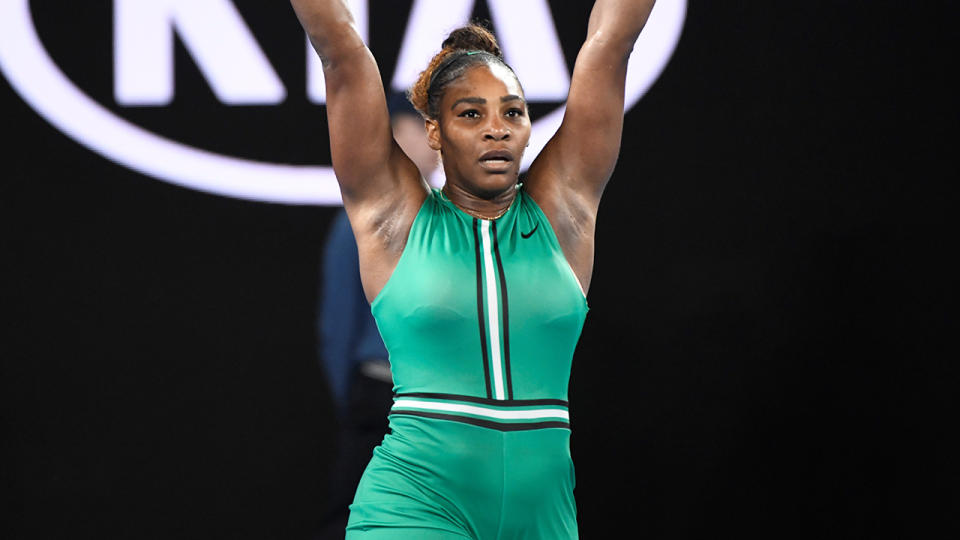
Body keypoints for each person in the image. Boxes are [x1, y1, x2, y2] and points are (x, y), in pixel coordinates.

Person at [291, 0, 657, 537]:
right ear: (434, 133)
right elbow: (341, 50)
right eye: (471, 114)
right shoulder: (394, 220)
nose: (497, 129)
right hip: (413, 506)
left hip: (544, 517)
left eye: (512, 112)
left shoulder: (566, 214)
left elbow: (612, 41)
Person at [317, 92, 439, 539]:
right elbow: (338, 322)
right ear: (395, 133)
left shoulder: (454, 216)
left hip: (443, 398)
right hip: (381, 395)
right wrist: (355, 399)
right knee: (357, 514)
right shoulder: (362, 216)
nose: (437, 141)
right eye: (425, 128)